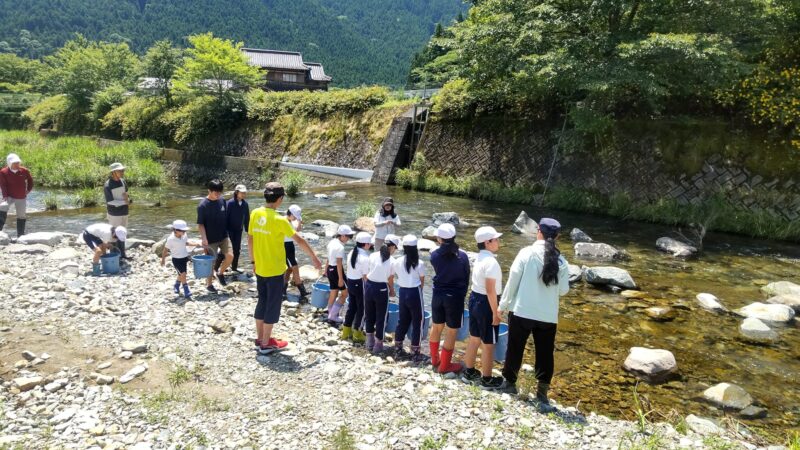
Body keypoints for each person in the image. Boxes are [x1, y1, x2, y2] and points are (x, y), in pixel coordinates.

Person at [498, 218, 570, 402]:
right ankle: (542, 394)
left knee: (515, 348)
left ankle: (509, 384)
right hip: (548, 316)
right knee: (545, 353)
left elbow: (513, 280)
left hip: (522, 311)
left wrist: (502, 306)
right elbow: (563, 291)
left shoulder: (526, 253)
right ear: (558, 236)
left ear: (538, 231)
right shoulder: (562, 261)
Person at [248, 182, 321, 354]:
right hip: (274, 271)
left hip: (260, 268)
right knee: (272, 305)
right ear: (280, 199)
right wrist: (314, 257)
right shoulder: (280, 220)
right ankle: (266, 344)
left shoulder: (255, 213)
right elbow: (300, 240)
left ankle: (260, 339)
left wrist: (253, 262)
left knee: (262, 301)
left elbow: (250, 239)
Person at [461, 226, 504, 390]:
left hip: (474, 299)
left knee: (474, 338)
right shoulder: (491, 262)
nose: (498, 241)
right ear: (488, 242)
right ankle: (487, 379)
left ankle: (469, 372)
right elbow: (491, 290)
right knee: (489, 343)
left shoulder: (479, 258)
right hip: (487, 303)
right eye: (496, 239)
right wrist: (496, 312)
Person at [429, 223, 471, 374]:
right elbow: (467, 275)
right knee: (452, 331)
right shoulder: (463, 255)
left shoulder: (433, 254)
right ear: (454, 237)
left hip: (437, 294)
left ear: (439, 238)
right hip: (455, 297)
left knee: (436, 326)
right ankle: (445, 366)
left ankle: (435, 360)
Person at [391, 234, 427, 362]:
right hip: (414, 292)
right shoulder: (420, 263)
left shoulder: (397, 261)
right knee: (418, 321)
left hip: (402, 292)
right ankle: (415, 352)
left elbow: (396, 276)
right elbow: (422, 281)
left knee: (403, 320)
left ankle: (398, 348)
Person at [364, 234, 400, 354]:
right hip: (381, 289)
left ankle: (369, 341)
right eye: (396, 248)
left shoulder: (373, 255)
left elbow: (368, 271)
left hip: (369, 286)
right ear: (393, 247)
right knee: (381, 316)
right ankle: (378, 344)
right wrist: (392, 290)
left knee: (369, 313)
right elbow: (390, 278)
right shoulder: (392, 261)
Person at [197, 179, 234, 293]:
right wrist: (204, 238)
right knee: (210, 262)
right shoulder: (203, 205)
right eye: (215, 192)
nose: (218, 194)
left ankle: (220, 273)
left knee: (230, 256)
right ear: (209, 191)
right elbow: (200, 224)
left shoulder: (222, 201)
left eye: (219, 192)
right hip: (210, 239)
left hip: (223, 236)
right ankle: (209, 284)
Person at [341, 231, 372, 344]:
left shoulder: (351, 252)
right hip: (360, 284)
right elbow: (365, 276)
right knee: (362, 309)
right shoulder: (365, 257)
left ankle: (346, 331)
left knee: (352, 307)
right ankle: (358, 334)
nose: (370, 245)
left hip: (350, 282)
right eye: (369, 244)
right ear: (366, 244)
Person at [325, 224, 354, 325]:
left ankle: (330, 312)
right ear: (342, 236)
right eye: (348, 236)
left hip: (330, 269)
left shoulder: (331, 242)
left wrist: (325, 270)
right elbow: (339, 263)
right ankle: (333, 315)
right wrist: (341, 279)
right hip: (337, 271)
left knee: (334, 291)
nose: (349, 239)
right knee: (345, 293)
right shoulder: (340, 247)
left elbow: (328, 258)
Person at [0, 153, 34, 237]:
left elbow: (30, 180)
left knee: (21, 215)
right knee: (2, 208)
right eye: (15, 163)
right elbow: (3, 185)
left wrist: (28, 190)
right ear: (9, 163)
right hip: (9, 196)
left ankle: (20, 236)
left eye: (18, 162)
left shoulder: (24, 171)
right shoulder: (3, 172)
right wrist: (5, 196)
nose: (17, 164)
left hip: (21, 197)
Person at [104, 162, 130, 260]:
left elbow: (126, 194)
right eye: (120, 171)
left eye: (123, 170)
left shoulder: (123, 182)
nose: (123, 172)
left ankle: (123, 255)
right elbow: (110, 202)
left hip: (124, 212)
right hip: (114, 214)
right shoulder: (108, 185)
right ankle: (114, 256)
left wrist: (129, 200)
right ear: (114, 172)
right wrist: (125, 202)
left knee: (122, 233)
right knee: (114, 235)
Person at [161, 219, 192, 300]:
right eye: (182, 231)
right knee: (183, 274)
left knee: (181, 274)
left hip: (184, 258)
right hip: (176, 260)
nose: (184, 232)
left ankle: (177, 285)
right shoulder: (171, 239)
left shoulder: (184, 235)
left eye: (185, 230)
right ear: (175, 230)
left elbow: (185, 243)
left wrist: (196, 244)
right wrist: (163, 259)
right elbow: (165, 249)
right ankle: (186, 290)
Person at [283, 204, 309, 298]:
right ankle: (302, 291)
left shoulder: (290, 221)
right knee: (295, 268)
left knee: (289, 269)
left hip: (290, 246)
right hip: (285, 247)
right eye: (295, 216)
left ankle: (283, 289)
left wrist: (299, 221)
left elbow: (297, 229)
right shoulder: (283, 221)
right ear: (290, 214)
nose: (295, 218)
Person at [226, 184, 250, 273]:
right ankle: (217, 268)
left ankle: (234, 267)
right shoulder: (230, 203)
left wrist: (248, 231)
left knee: (237, 249)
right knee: (226, 250)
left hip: (238, 230)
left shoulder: (245, 204)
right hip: (229, 230)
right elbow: (225, 217)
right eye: (242, 192)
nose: (244, 194)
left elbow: (247, 218)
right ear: (236, 193)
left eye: (245, 193)